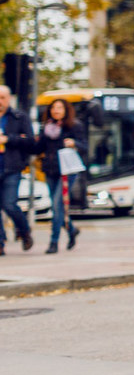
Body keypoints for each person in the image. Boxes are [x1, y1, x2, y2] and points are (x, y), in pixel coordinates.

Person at [37, 98, 87, 253]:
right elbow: (38, 148)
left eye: (59, 108)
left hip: (67, 170)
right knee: (56, 206)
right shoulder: (46, 128)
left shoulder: (74, 126)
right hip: (50, 169)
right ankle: (71, 230)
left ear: (66, 110)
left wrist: (74, 143)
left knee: (58, 206)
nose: (56, 110)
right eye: (53, 108)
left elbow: (85, 146)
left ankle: (54, 242)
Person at [0, 85, 35, 255]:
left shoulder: (19, 117)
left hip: (11, 167)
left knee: (9, 204)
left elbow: (30, 141)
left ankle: (24, 230)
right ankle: (0, 243)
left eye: (2, 98)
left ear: (9, 99)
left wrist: (8, 139)